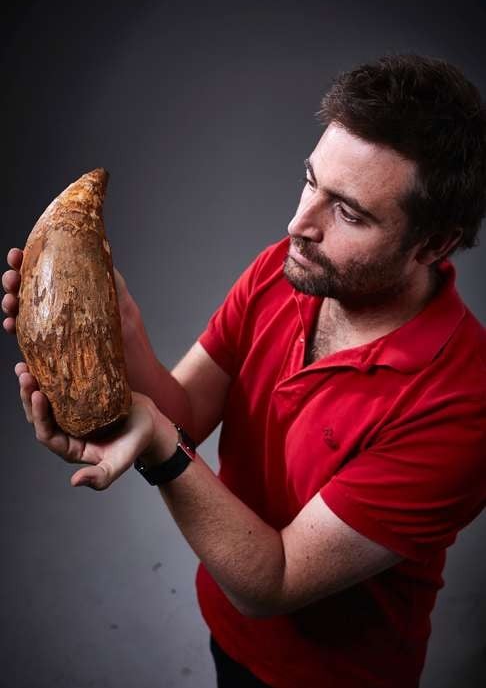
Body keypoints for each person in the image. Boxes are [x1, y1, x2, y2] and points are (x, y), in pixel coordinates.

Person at [3, 53, 486, 688]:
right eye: (310, 181)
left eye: (348, 213)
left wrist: (156, 448)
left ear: (433, 244)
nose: (298, 225)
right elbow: (186, 416)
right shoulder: (284, 272)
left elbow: (275, 580)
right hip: (226, 628)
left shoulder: (465, 403)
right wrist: (122, 329)